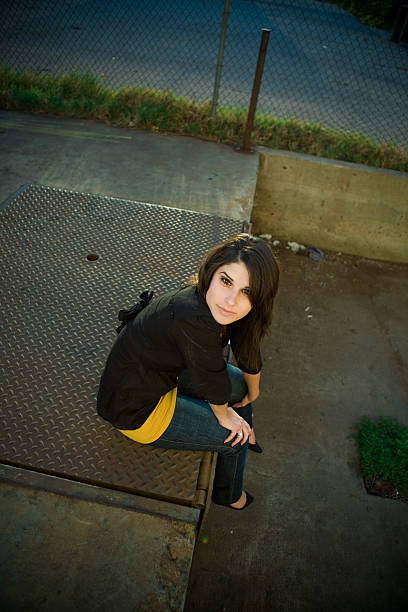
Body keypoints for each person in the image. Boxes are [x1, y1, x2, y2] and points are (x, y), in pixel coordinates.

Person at [97, 233, 279, 510]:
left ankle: (245, 429)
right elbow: (211, 379)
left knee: (239, 390)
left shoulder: (222, 308)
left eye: (247, 292)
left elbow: (248, 351)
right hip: (134, 407)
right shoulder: (194, 316)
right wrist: (224, 415)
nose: (231, 300)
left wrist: (252, 392)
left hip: (162, 373)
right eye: (226, 281)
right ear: (211, 271)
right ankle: (230, 494)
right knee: (235, 440)